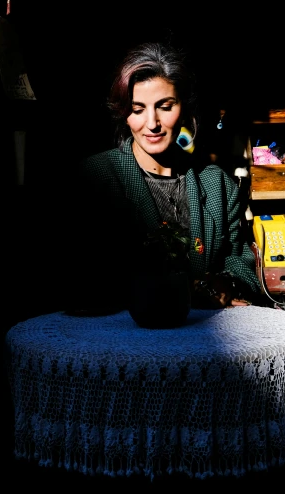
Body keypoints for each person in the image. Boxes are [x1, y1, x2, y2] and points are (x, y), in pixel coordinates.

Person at [64, 41, 262, 313]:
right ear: (125, 115)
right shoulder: (95, 177)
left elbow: (240, 260)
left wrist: (226, 282)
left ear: (185, 109)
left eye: (165, 106)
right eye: (138, 110)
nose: (152, 123)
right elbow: (75, 276)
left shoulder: (217, 185)